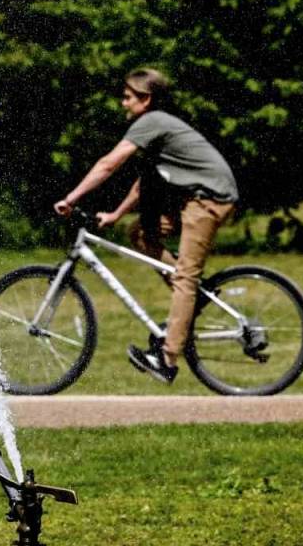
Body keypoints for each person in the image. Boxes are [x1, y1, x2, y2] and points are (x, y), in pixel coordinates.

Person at [54, 68, 238, 384]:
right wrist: (115, 214)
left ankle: (166, 360)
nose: (123, 103)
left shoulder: (151, 122)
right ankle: (197, 296)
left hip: (209, 200)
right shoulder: (156, 128)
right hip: (196, 198)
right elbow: (143, 185)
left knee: (185, 278)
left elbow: (109, 164)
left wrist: (71, 198)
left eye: (128, 97)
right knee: (139, 233)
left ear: (146, 99)